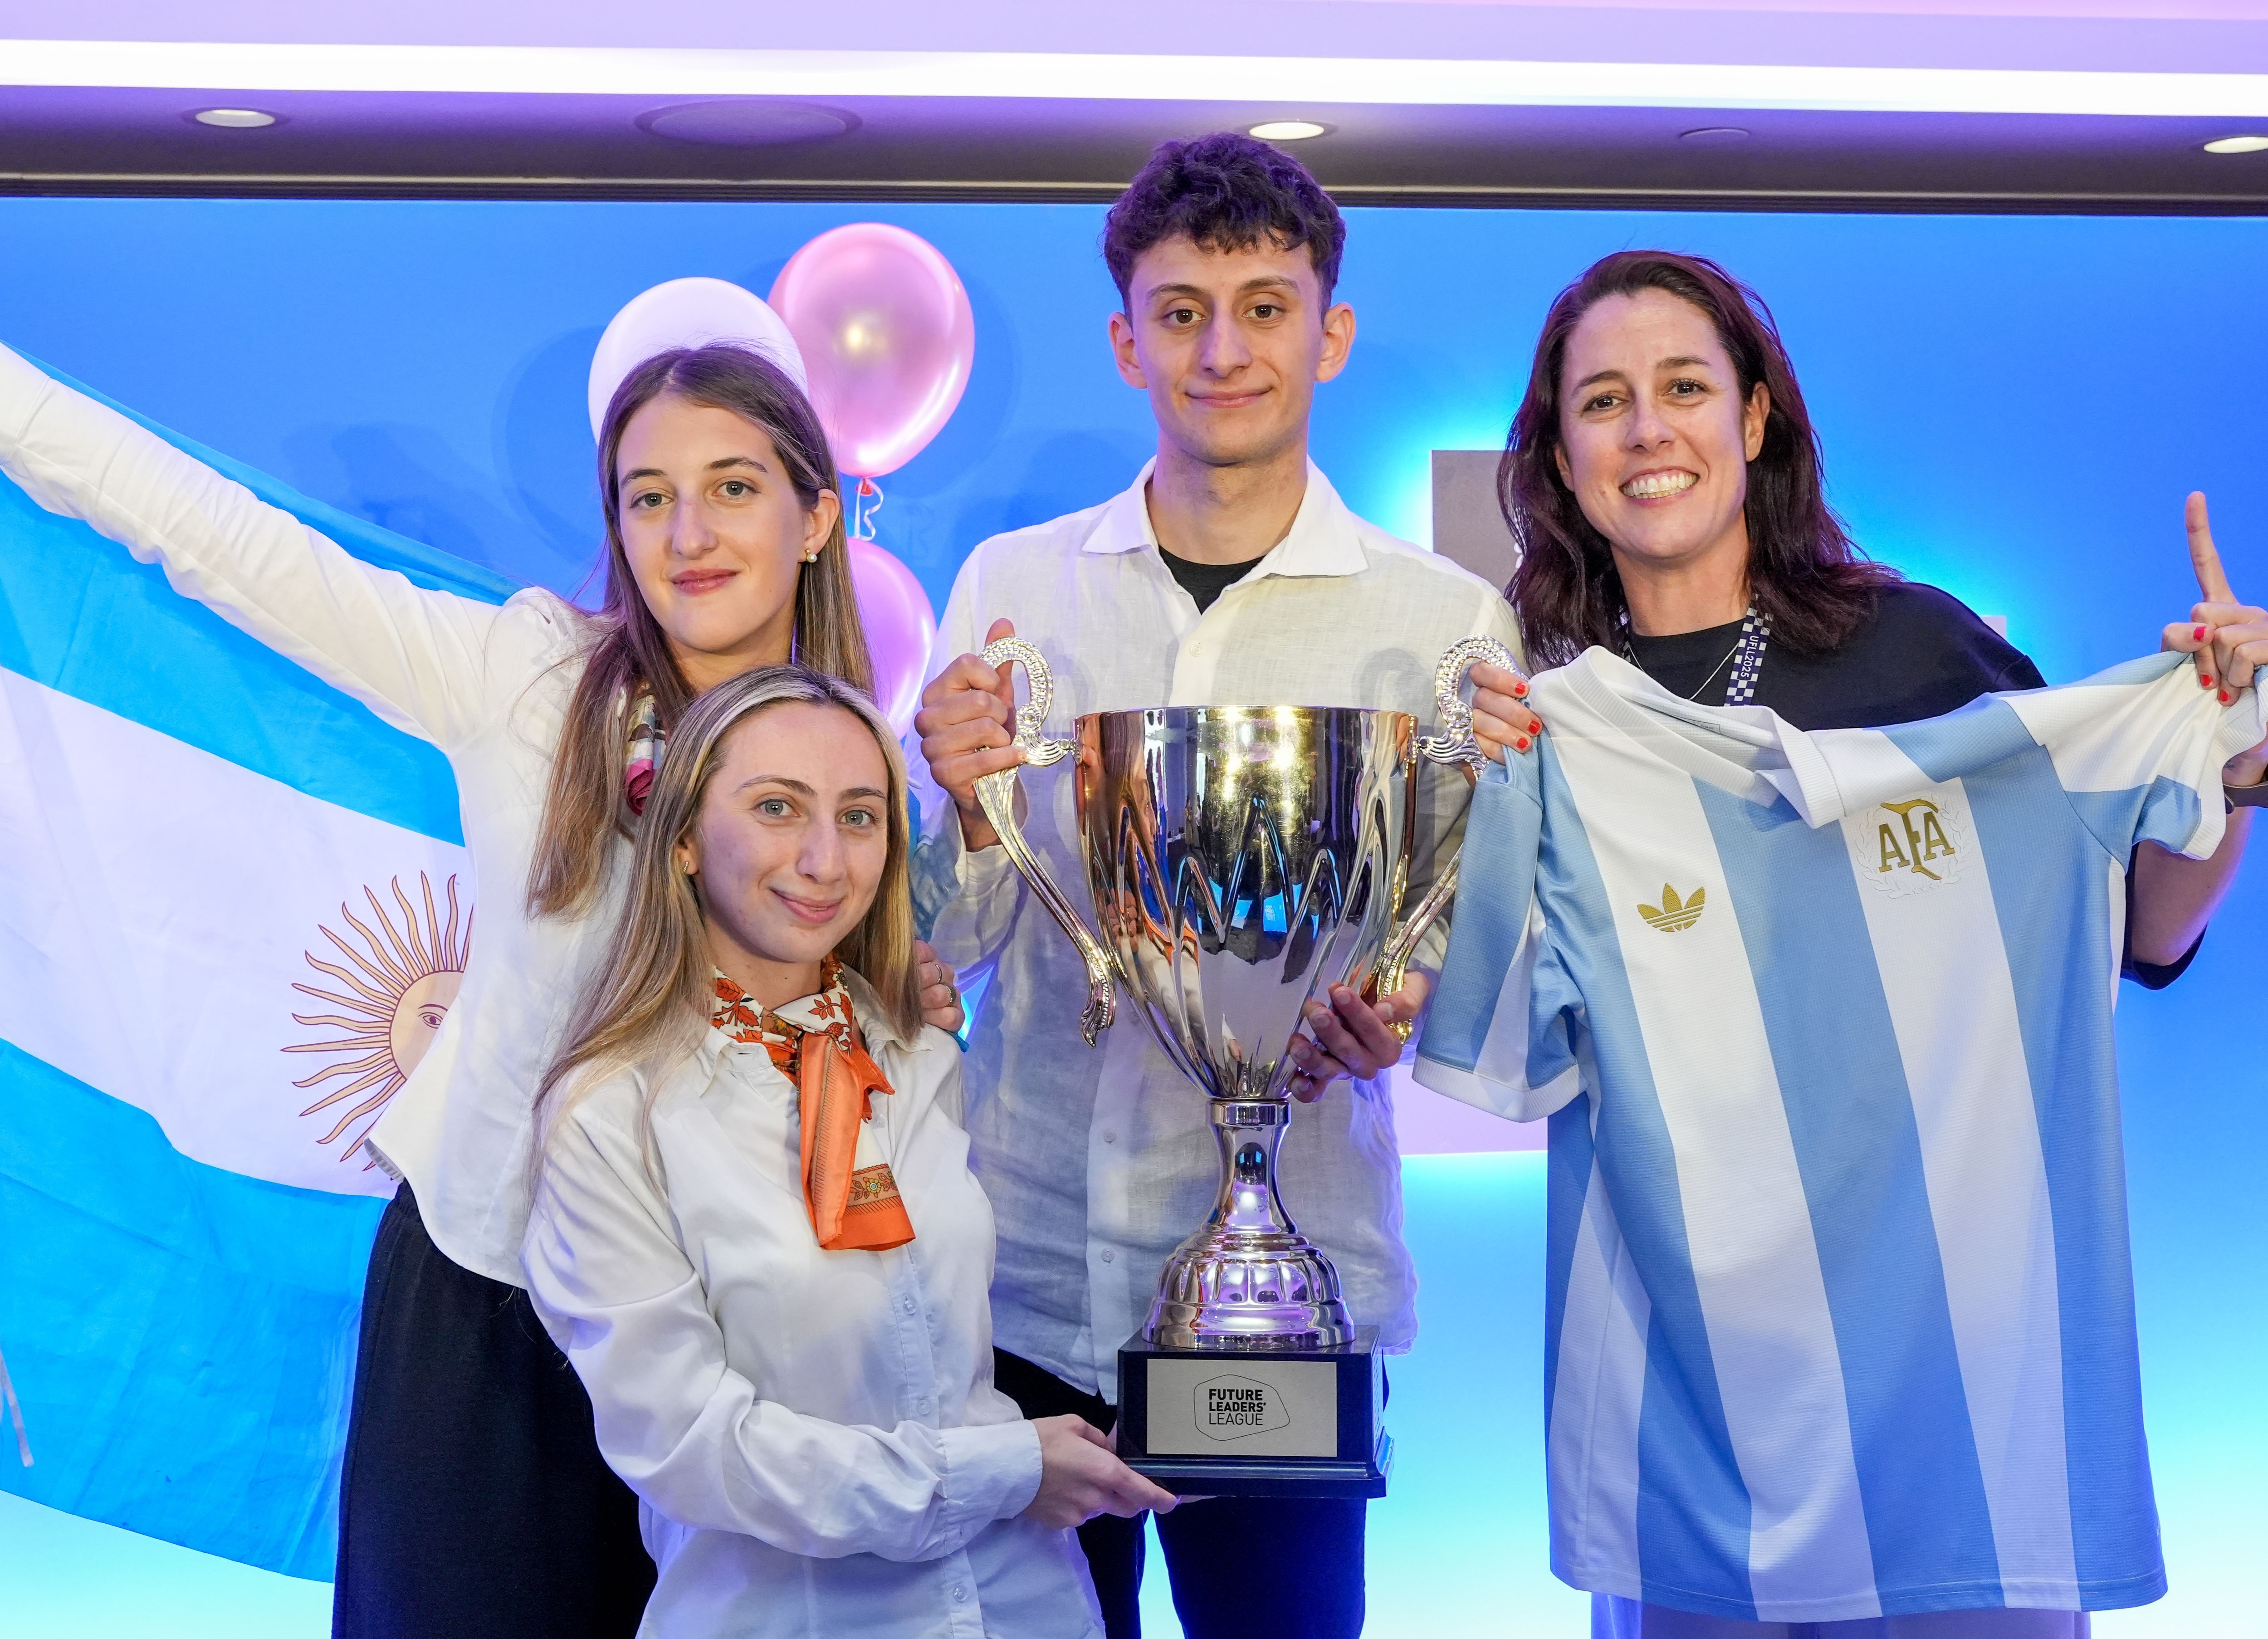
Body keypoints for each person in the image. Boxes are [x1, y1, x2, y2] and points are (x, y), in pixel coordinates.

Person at [0, 339, 965, 1636]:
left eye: (734, 486)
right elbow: (217, 537)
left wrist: (952, 850)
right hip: (491, 1310)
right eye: (646, 494)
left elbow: (913, 1012)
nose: (689, 531)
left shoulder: (875, 771)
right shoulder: (527, 675)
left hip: (752, 1343)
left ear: (817, 515)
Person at [1403, 249, 2268, 1639]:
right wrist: (1469, 797)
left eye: (1685, 387)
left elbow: (2144, 926)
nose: (1648, 429)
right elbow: (1486, 1036)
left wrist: (2232, 753)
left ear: (1754, 418)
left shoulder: (1920, 653)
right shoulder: (1540, 718)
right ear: (1559, 454)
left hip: (1957, 1444)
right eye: (1604, 401)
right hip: (1686, 1445)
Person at [909, 133, 1520, 1639]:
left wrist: (1403, 1001)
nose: (1223, 348)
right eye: (1182, 311)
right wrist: (948, 793)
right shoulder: (1013, 588)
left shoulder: (1437, 621)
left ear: (1332, 331)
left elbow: (1462, 933)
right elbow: (952, 943)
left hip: (1301, 1282)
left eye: (1263, 305)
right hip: (1033, 1276)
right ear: (1128, 342)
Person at [524, 664, 1173, 1637]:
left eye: (860, 815)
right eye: (779, 807)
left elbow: (950, 1371)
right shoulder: (608, 1113)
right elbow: (698, 1448)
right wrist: (1000, 1470)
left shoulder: (911, 1050)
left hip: (1024, 1604)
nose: (826, 859)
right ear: (687, 837)